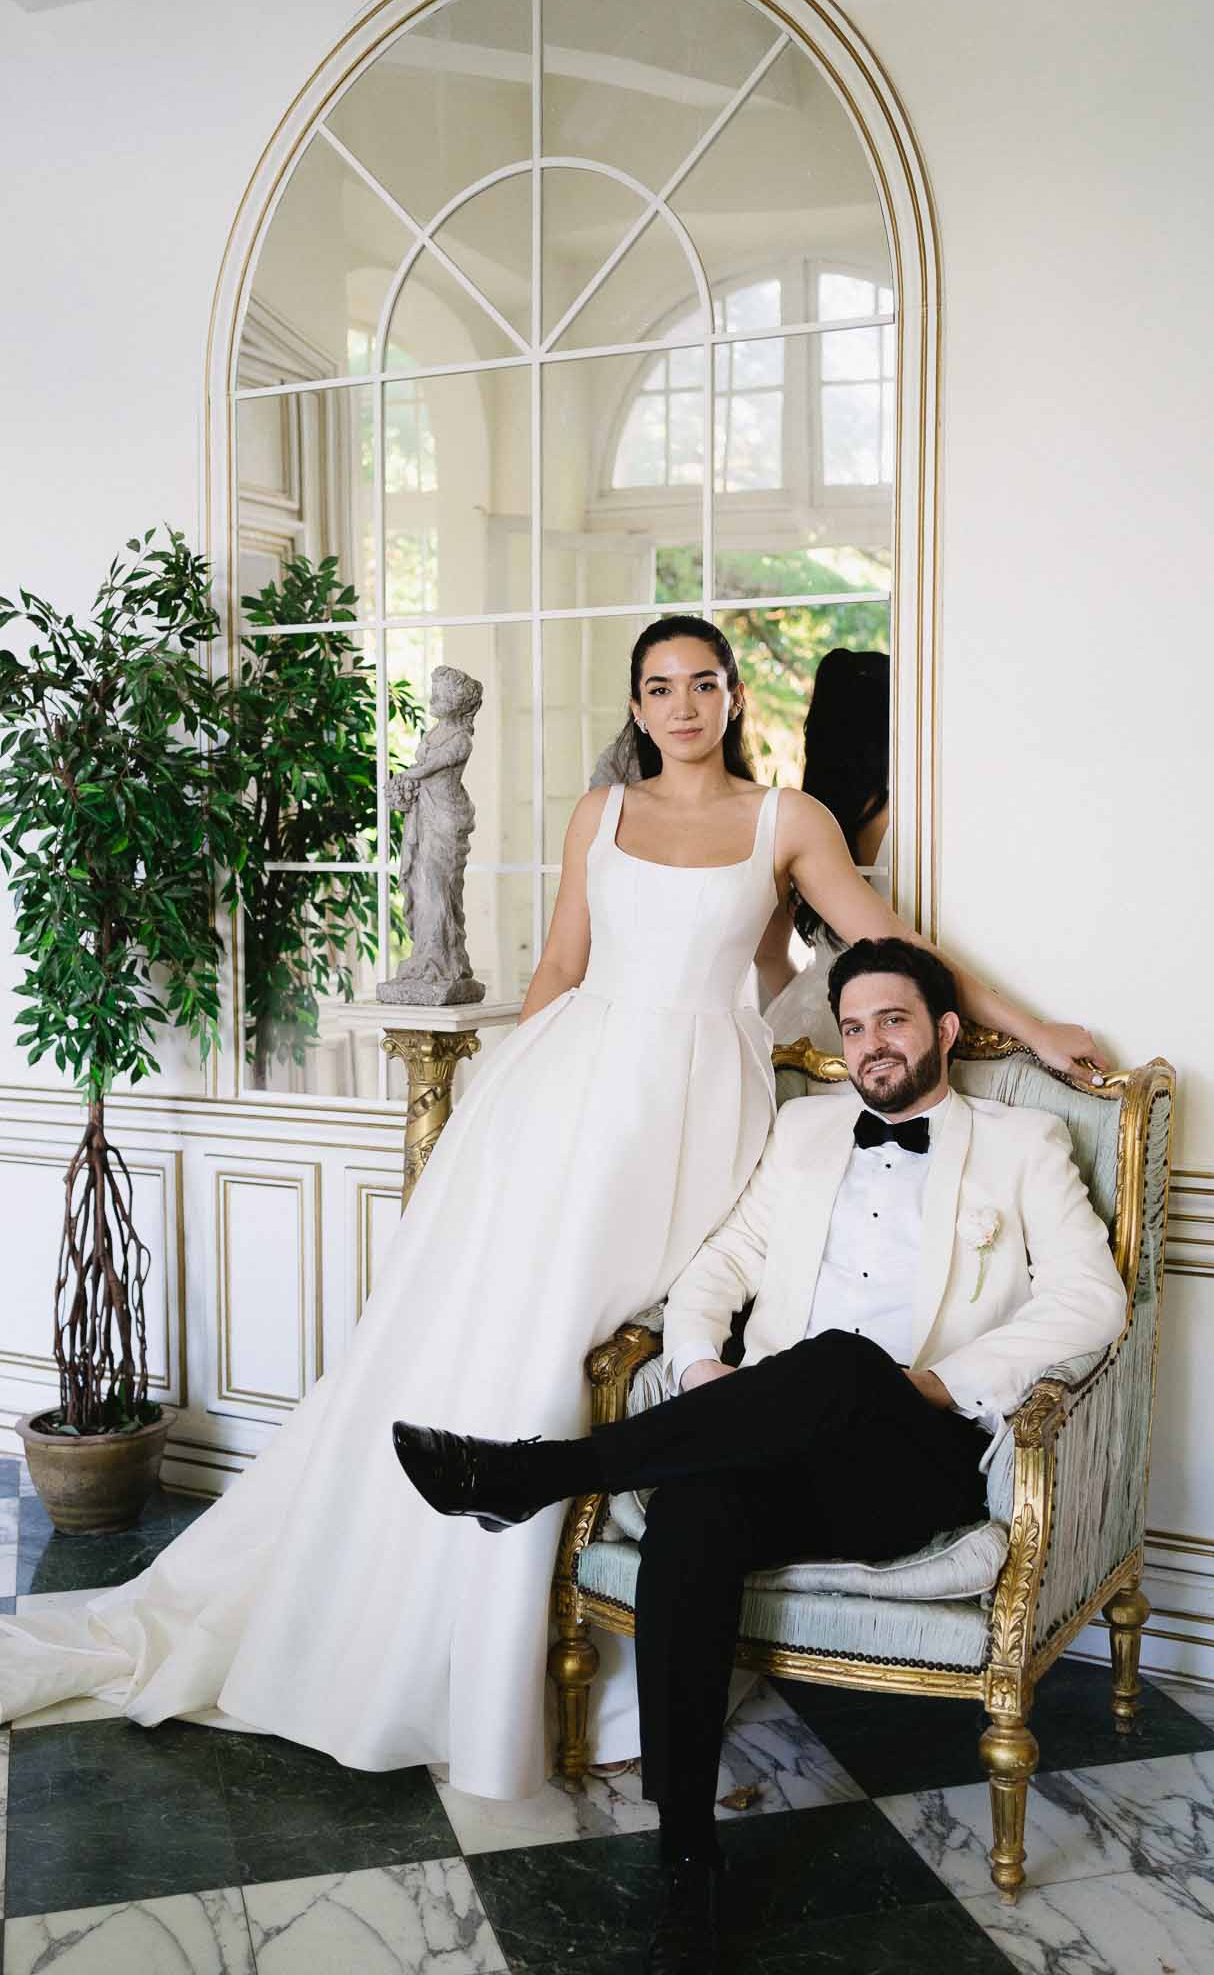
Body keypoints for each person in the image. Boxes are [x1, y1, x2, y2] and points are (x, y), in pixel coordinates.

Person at [0, 616, 1104, 1799]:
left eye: (703, 684)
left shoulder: (788, 820)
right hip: (568, 1093)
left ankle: (539, 1566)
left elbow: (891, 946)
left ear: (735, 697)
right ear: (636, 705)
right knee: (505, 1330)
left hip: (691, 1107)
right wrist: (505, 1099)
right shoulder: (603, 813)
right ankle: (441, 1610)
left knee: (589, 1340)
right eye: (658, 687)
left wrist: (1033, 1027)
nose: (682, 705)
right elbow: (561, 969)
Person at [393, 936, 1129, 1971]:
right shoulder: (806, 1127)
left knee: (842, 1361)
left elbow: (1093, 1300)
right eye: (855, 1026)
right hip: (778, 1438)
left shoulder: (1023, 1141)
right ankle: (688, 1861)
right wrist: (700, 1367)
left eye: (894, 1021)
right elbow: (723, 1259)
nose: (871, 1044)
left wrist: (940, 1381)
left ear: (945, 1031)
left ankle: (540, 1473)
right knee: (694, 1513)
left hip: (914, 1455)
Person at [757, 647, 891, 1050]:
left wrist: (811, 999)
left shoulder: (799, 822)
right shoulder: (919, 823)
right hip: (892, 1018)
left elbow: (768, 956)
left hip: (806, 1018)